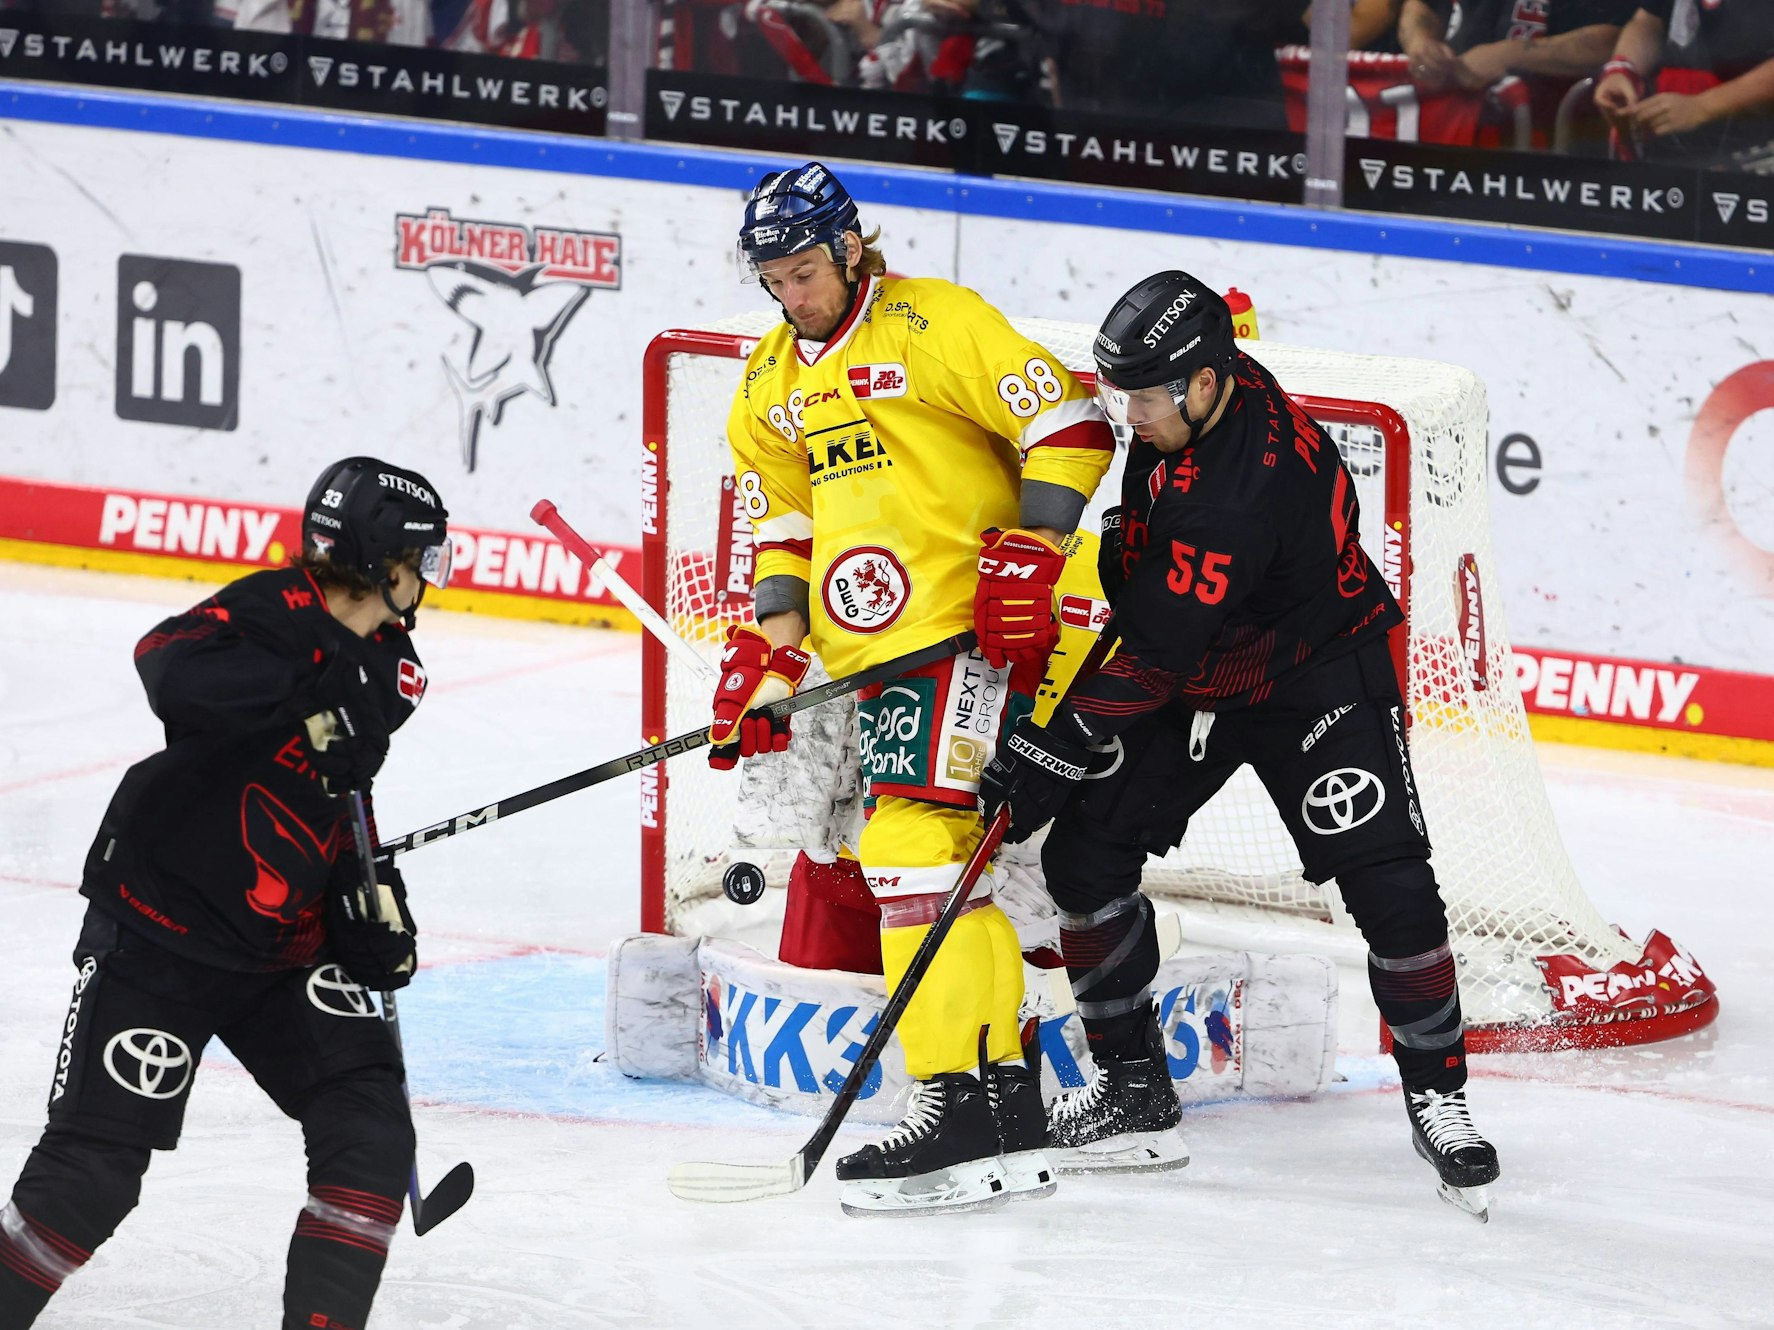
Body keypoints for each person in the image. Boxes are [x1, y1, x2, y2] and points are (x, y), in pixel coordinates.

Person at [978, 273, 1500, 1216]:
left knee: (1390, 882)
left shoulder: (1240, 489)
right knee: (1086, 863)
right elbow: (1160, 613)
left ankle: (1441, 1098)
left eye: (1143, 398)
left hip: (1314, 671)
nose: (1129, 418)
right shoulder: (1195, 394)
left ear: (1208, 384)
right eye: (1121, 394)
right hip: (1201, 665)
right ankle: (1133, 1087)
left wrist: (1057, 747)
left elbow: (1155, 651)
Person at [712, 161, 1114, 1216]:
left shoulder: (935, 325)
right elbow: (783, 528)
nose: (790, 295)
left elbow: (1071, 423)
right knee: (943, 869)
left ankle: (947, 1099)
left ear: (849, 247)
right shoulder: (765, 385)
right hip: (870, 668)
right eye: (773, 280)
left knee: (904, 847)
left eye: (803, 270)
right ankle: (1004, 1096)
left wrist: (1031, 550)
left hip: (965, 644)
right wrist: (771, 659)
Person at [0, 458, 451, 1328]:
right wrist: (309, 696)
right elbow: (165, 666)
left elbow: (333, 793)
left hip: (285, 946)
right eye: (422, 558)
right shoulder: (270, 610)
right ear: (384, 559)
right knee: (90, 1179)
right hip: (161, 932)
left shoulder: (398, 670)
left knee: (371, 1137)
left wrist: (369, 893)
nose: (428, 579)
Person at [1593, 1, 1774, 169]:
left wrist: (1703, 105)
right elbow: (1649, 20)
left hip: (1755, 146)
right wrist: (1623, 69)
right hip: (1678, 145)